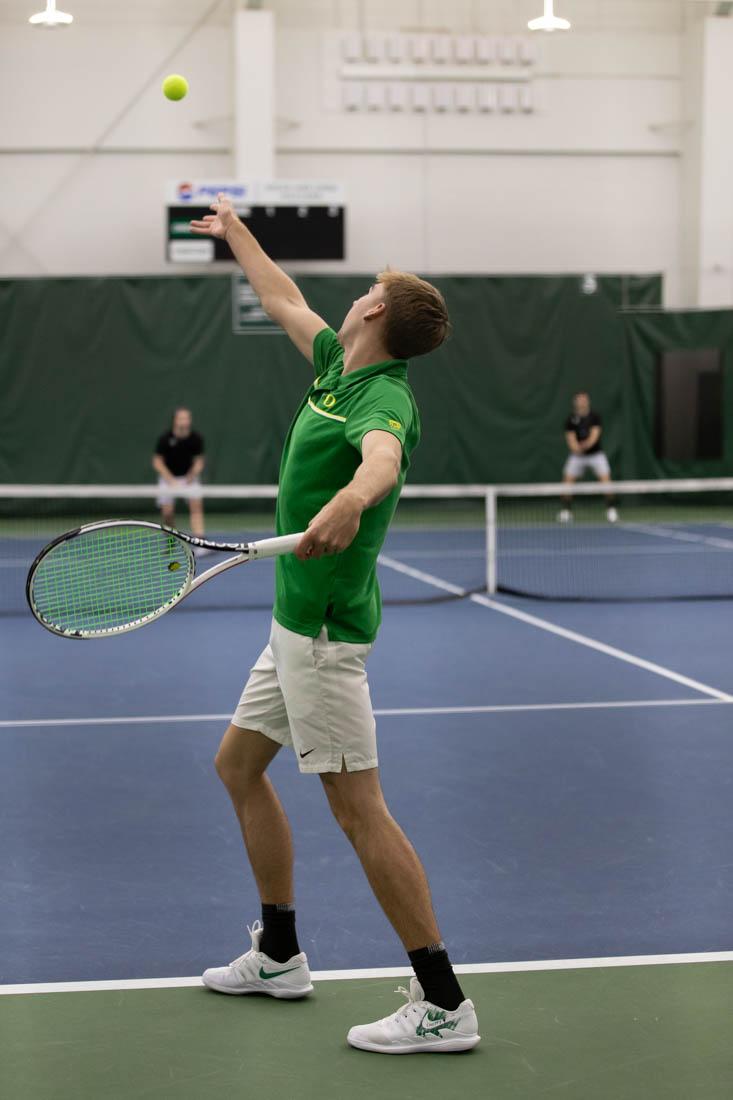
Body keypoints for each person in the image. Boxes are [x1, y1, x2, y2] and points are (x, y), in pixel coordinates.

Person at [190, 193, 480, 1055]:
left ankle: (444, 1002)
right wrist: (236, 232)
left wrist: (352, 500)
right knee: (238, 768)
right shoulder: (334, 366)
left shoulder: (381, 396)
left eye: (367, 286)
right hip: (291, 624)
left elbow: (382, 458)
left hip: (320, 636)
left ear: (377, 309)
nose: (354, 293)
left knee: (359, 812)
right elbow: (282, 297)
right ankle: (279, 953)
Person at [558, 392, 618, 523]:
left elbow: (595, 436)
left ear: (588, 402)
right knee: (567, 482)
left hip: (596, 455)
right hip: (577, 456)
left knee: (606, 481)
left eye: (584, 400)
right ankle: (566, 511)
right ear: (575, 403)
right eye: (579, 400)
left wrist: (586, 444)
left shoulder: (595, 417)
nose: (582, 402)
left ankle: (611, 510)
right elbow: (571, 439)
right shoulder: (570, 419)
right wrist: (577, 448)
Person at [152, 408, 206, 537]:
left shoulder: (196, 439)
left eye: (186, 418)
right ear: (175, 421)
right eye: (181, 418)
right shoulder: (165, 439)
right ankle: (172, 541)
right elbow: (157, 462)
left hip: (189, 479)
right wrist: (170, 479)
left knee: (196, 507)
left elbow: (199, 461)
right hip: (168, 479)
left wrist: (191, 476)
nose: (184, 421)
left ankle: (200, 542)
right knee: (167, 513)